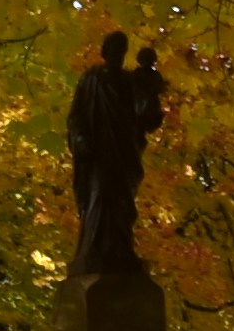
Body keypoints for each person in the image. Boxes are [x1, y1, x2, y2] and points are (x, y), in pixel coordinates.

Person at [65, 30, 168, 277]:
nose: (118, 56)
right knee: (99, 198)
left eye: (122, 51)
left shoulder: (131, 82)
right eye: (114, 50)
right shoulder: (91, 80)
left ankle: (121, 250)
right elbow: (76, 115)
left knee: (122, 202)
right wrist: (79, 139)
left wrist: (152, 94)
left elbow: (146, 118)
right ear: (104, 52)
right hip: (98, 153)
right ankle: (95, 250)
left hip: (123, 153)